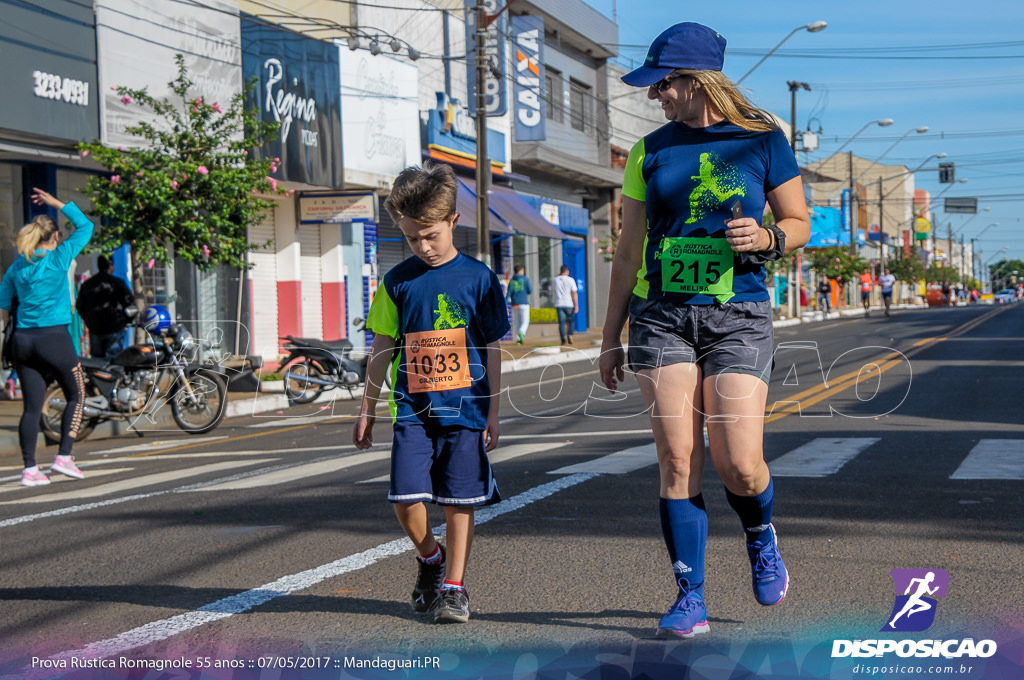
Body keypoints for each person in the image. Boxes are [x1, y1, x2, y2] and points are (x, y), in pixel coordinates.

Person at [599, 22, 810, 639]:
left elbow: (799, 221)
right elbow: (628, 249)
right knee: (676, 456)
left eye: (661, 85)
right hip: (663, 316)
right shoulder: (650, 150)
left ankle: (760, 534)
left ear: (695, 82)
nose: (653, 96)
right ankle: (689, 594)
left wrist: (769, 238)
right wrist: (611, 336)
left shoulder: (763, 139)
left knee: (739, 463)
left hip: (737, 315)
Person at [352, 162, 509, 624]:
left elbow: (493, 347)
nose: (422, 246)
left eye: (431, 235)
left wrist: (494, 412)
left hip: (465, 409)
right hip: (412, 409)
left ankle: (455, 588)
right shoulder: (397, 281)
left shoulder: (479, 279)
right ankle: (430, 558)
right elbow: (382, 346)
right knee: (405, 499)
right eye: (411, 238)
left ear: (453, 223)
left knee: (460, 501)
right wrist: (367, 409)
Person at [0, 188, 93, 487]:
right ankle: (64, 457)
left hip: (23, 342)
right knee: (77, 394)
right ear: (54, 238)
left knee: (30, 407)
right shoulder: (59, 257)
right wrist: (56, 203)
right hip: (55, 339)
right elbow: (86, 226)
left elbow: (3, 311)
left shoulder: (17, 267)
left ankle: (30, 470)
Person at [77, 254, 134, 358]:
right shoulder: (117, 283)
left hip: (95, 327)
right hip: (114, 327)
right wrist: (127, 321)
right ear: (110, 266)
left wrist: (89, 320)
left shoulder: (87, 284)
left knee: (97, 361)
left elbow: (80, 306)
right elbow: (130, 304)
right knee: (113, 358)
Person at [551, 264, 578, 345]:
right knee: (571, 321)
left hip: (559, 303)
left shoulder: (555, 280)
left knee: (561, 322)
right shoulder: (570, 280)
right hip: (569, 303)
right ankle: (570, 334)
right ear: (567, 271)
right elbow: (574, 293)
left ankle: (563, 340)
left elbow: (553, 290)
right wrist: (576, 305)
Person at [506, 264, 532, 344]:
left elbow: (508, 294)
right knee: (525, 321)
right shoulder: (525, 279)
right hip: (523, 303)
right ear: (520, 271)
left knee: (517, 322)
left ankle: (518, 340)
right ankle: (521, 332)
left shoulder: (512, 281)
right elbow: (530, 290)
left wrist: (505, 304)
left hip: (514, 304)